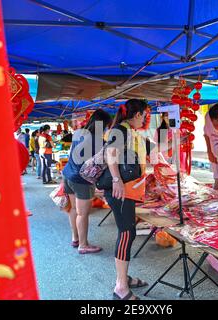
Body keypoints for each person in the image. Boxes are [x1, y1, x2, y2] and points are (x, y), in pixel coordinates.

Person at [105, 99, 152, 300]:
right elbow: (110, 153)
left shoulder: (131, 132)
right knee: (126, 234)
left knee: (128, 233)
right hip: (120, 190)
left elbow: (150, 149)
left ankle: (123, 278)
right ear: (137, 114)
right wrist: (116, 179)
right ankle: (121, 288)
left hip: (127, 189)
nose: (146, 118)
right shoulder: (121, 130)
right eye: (145, 115)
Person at [62, 109, 112, 254]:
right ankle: (83, 245)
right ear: (103, 125)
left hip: (68, 174)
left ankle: (75, 238)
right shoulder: (100, 142)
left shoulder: (79, 134)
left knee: (73, 209)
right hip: (82, 180)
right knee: (82, 214)